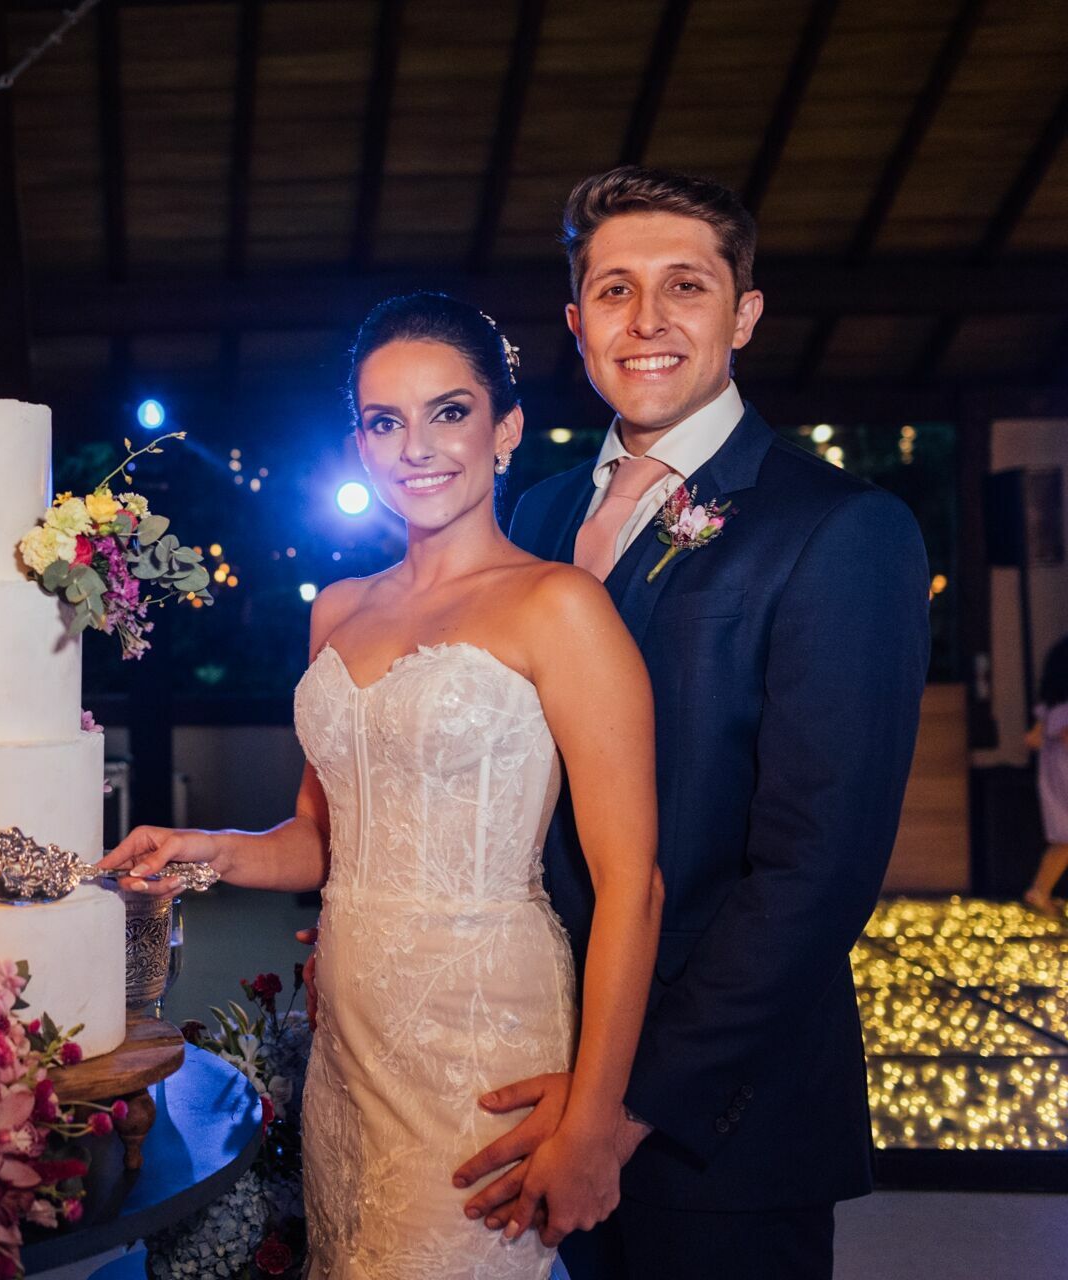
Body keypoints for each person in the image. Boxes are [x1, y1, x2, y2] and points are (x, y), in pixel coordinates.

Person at [98, 292, 664, 1278]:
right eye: (385, 421)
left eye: (449, 411)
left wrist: (594, 1119)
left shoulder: (558, 605)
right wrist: (203, 850)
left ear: (506, 429)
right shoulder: (338, 610)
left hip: (483, 1032)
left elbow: (633, 885)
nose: (418, 447)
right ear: (360, 445)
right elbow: (325, 840)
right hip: (349, 1040)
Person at [456, 166, 930, 1280]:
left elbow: (816, 872)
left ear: (744, 314)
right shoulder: (537, 514)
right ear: (578, 324)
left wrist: (621, 1107)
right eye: (615, 290)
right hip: (525, 1066)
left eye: (686, 285)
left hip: (718, 1120)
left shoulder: (841, 529)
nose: (648, 319)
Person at [1023, 635, 1068, 915]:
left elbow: (1032, 739)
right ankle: (1039, 892)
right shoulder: (1063, 709)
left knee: (1063, 840)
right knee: (1064, 840)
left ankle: (1039, 891)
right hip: (1063, 778)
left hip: (1053, 777)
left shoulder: (1052, 707)